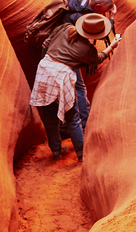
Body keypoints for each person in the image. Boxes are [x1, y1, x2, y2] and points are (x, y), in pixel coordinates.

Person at [30, 13, 121, 161]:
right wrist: (112, 46)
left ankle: (56, 151)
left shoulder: (64, 28)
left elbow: (47, 43)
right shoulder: (87, 49)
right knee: (72, 118)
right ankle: (81, 153)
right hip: (61, 76)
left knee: (49, 115)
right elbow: (98, 59)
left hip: (44, 70)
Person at [59, 0, 118, 132]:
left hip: (59, 49)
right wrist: (111, 19)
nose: (103, 14)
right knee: (79, 88)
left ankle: (67, 124)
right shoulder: (84, 17)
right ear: (97, 6)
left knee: (69, 89)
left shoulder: (76, 1)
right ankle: (84, 125)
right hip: (69, 55)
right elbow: (100, 33)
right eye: (103, 11)